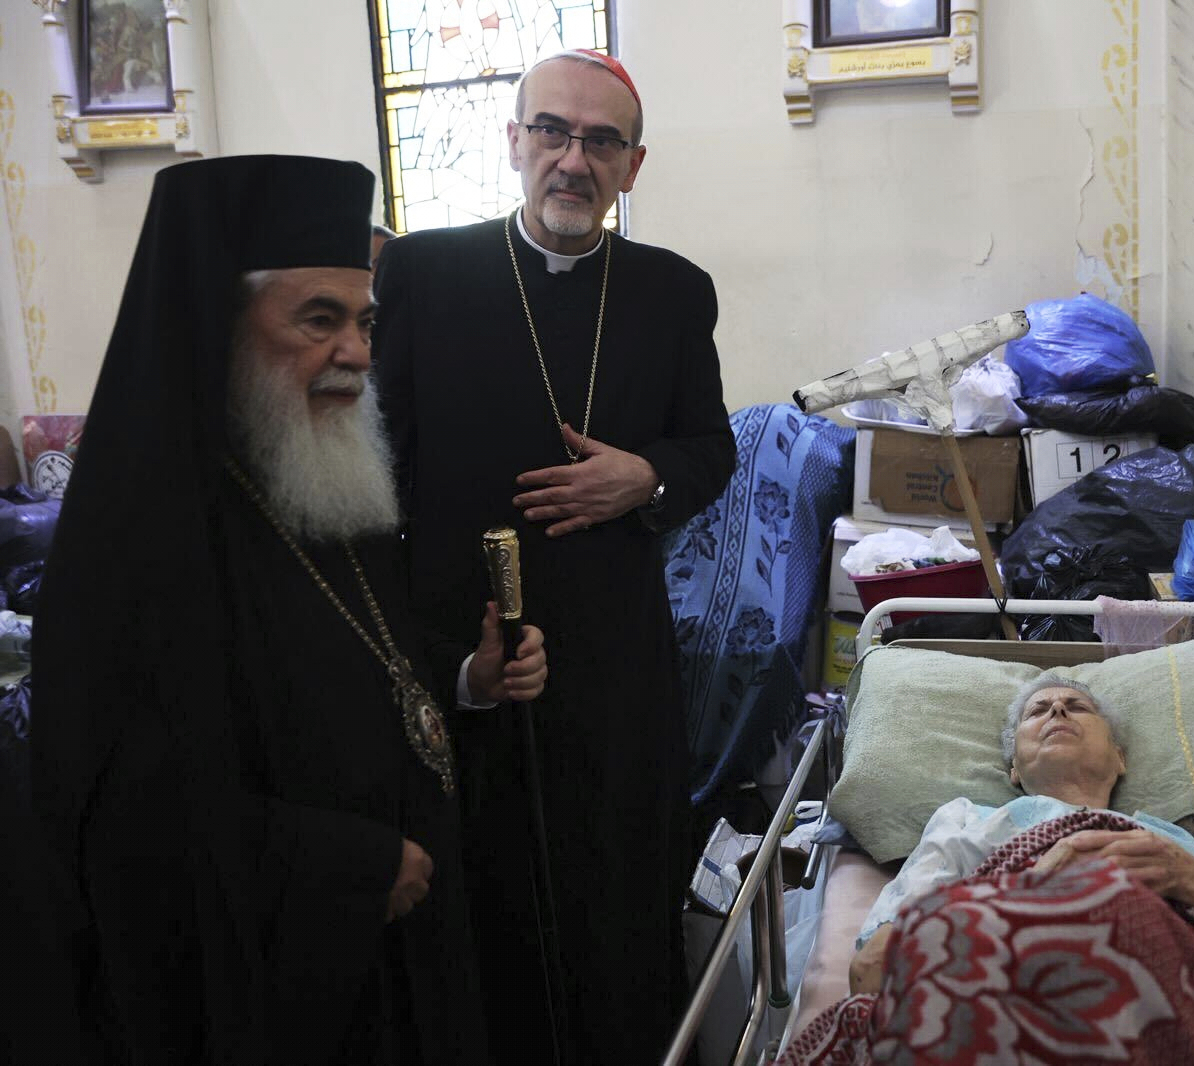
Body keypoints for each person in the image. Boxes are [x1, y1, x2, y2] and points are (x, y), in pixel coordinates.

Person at [30, 154, 546, 1062]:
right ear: (220, 327)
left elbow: (367, 664)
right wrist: (346, 869)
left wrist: (468, 678)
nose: (354, 352)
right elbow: (122, 811)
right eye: (319, 320)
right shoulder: (147, 532)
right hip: (274, 991)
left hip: (399, 954)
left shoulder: (319, 473)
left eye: (364, 321)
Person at [373, 49, 736, 1063]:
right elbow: (379, 465)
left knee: (615, 897)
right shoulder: (425, 272)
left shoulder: (671, 292)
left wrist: (645, 477)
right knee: (482, 905)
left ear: (634, 164)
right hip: (467, 655)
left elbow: (711, 449)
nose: (573, 160)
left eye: (601, 141)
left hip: (616, 658)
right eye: (552, 132)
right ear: (514, 143)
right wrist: (436, 656)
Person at [849, 676, 1194, 994]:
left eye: (1078, 706)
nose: (1058, 711)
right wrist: (1024, 903)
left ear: (1119, 757)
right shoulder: (968, 821)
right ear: (1013, 769)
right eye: (1038, 711)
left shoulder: (1174, 847)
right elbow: (873, 970)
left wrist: (1188, 880)